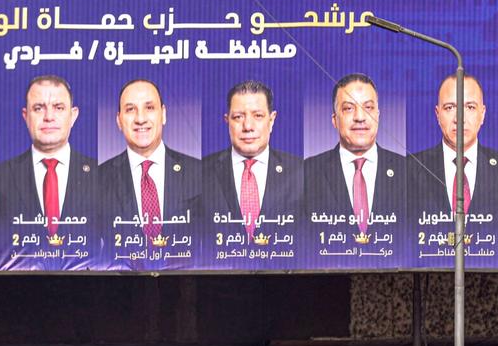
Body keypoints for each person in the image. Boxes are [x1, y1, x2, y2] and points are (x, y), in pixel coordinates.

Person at [303, 73, 408, 254]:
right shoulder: (306, 173)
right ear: (335, 120)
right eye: (349, 109)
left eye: (368, 107)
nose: (360, 117)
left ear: (378, 115)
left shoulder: (408, 171)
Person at [95, 79, 200, 254]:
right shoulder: (97, 180)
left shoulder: (198, 173)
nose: (140, 119)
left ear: (163, 114)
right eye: (130, 110)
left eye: (149, 108)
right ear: (119, 121)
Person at [408, 73, 498, 253]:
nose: (459, 118)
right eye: (450, 107)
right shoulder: (411, 167)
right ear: (438, 115)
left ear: (483, 114)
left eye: (470, 107)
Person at [0, 74, 97, 252]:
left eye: (58, 108)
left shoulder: (99, 175)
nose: (49, 117)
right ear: (25, 116)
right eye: (38, 108)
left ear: (73, 116)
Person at [201, 80, 303, 247]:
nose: (248, 126)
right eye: (238, 117)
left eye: (258, 116)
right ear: (227, 121)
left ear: (271, 120)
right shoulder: (201, 173)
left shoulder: (301, 172)